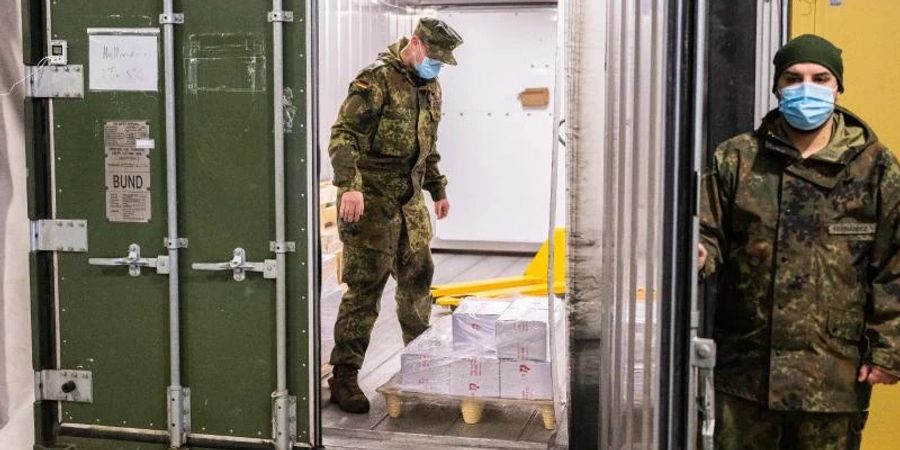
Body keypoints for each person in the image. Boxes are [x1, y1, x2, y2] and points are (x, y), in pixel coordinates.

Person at [699, 34, 900, 449]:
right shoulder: (737, 158)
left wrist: (889, 349)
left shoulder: (875, 167)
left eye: (820, 77)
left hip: (833, 376)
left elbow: (894, 264)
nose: (806, 87)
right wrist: (699, 254)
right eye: (793, 78)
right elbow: (707, 232)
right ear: (776, 87)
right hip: (747, 374)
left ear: (837, 87)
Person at [326, 17, 463, 414]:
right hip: (370, 203)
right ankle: (345, 377)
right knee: (365, 290)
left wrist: (437, 188)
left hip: (409, 205)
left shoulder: (431, 89)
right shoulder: (376, 81)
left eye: (442, 61)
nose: (436, 66)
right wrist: (349, 184)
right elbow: (343, 136)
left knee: (419, 282)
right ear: (415, 44)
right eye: (433, 58)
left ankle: (422, 365)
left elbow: (428, 146)